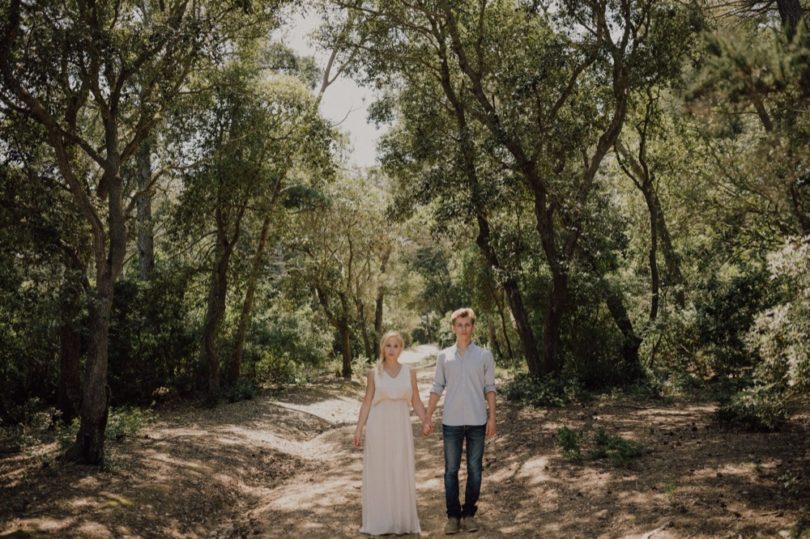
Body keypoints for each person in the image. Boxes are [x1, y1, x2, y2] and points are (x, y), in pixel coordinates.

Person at [423, 308, 496, 535]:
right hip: (452, 421)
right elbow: (437, 388)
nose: (463, 329)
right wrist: (427, 415)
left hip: (477, 420)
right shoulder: (444, 357)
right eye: (459, 325)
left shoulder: (484, 356)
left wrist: (493, 417)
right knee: (450, 471)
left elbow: (490, 388)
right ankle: (453, 516)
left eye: (467, 325)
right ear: (454, 327)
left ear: (473, 327)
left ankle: (469, 515)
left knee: (475, 470)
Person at [354, 330, 428, 536]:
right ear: (382, 348)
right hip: (379, 426)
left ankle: (401, 521)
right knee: (381, 471)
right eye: (388, 345)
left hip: (400, 426)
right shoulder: (373, 373)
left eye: (396, 346)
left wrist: (426, 420)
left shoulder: (410, 372)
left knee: (399, 468)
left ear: (401, 348)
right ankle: (381, 522)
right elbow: (367, 401)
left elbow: (416, 401)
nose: (392, 349)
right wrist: (359, 429)